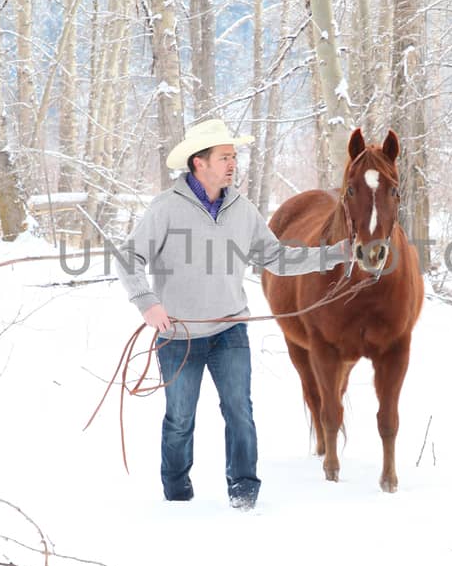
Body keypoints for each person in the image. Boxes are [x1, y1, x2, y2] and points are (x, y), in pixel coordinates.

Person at [115, 118, 353, 509]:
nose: (232, 164)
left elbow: (275, 257)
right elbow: (128, 257)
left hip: (230, 332)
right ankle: (177, 498)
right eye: (224, 157)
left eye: (233, 157)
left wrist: (333, 255)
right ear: (199, 164)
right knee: (179, 419)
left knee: (240, 412)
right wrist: (148, 303)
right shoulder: (166, 208)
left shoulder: (243, 210)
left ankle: (244, 494)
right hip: (180, 335)